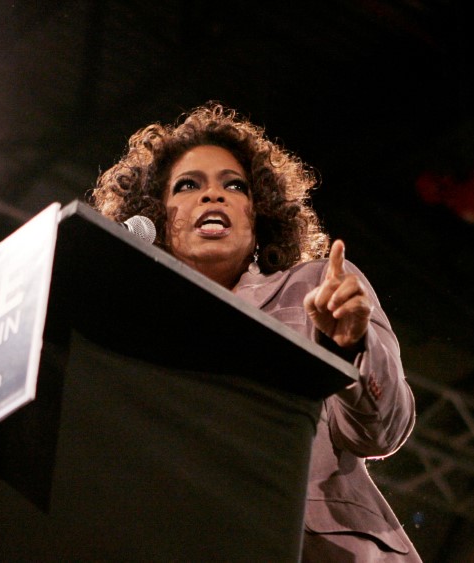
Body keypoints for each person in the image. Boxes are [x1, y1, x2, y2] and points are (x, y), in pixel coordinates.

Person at [89, 101, 422, 561]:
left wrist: (350, 348)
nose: (213, 196)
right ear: (155, 217)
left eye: (234, 186)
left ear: (258, 214)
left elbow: (383, 433)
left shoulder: (314, 287)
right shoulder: (127, 333)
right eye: (188, 185)